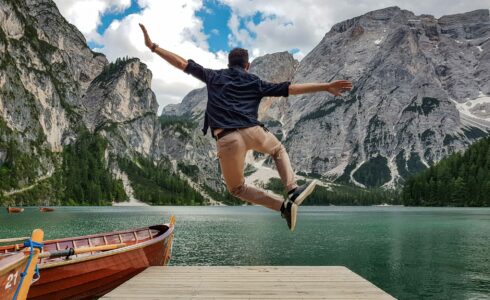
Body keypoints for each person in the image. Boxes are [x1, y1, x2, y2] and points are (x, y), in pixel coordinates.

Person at [139, 24, 353, 231]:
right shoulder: (255, 82)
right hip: (253, 132)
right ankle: (293, 190)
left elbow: (182, 63)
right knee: (278, 150)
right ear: (247, 66)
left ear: (229, 63)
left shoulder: (213, 76)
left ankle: (281, 207)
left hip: (227, 139)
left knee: (237, 189)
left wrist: (153, 47)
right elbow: (291, 89)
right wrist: (325, 86)